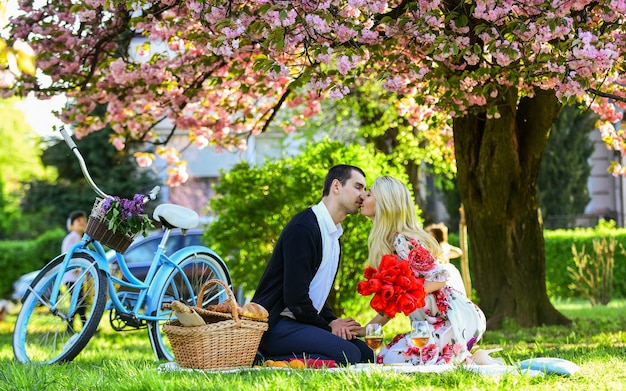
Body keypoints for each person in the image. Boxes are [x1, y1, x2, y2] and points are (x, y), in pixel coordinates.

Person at [251, 164, 374, 366]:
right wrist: (328, 328)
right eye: (358, 187)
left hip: (301, 322)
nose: (363, 195)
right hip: (275, 325)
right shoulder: (304, 227)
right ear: (336, 186)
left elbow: (316, 291)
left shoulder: (334, 235)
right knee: (348, 355)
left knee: (366, 354)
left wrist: (332, 321)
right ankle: (263, 358)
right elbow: (295, 298)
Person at [358, 176, 486, 365]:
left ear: (383, 204)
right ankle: (469, 358)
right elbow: (394, 302)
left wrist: (406, 294)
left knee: (392, 360)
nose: (363, 197)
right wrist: (367, 328)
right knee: (386, 357)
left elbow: (441, 277)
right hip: (430, 324)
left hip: (452, 319)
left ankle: (473, 359)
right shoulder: (389, 243)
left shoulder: (402, 240)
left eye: (369, 194)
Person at [62, 210, 88, 329]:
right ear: (71, 225)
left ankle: (72, 326)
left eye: (84, 221)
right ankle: (78, 325)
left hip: (76, 278)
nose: (82, 223)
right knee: (79, 302)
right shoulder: (72, 238)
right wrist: (76, 267)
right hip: (72, 277)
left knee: (78, 302)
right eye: (79, 221)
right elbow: (68, 255)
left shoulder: (78, 238)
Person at [425, 222, 466, 295]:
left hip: (442, 269)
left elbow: (459, 252)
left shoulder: (438, 247)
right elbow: (458, 252)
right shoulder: (445, 246)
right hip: (445, 269)